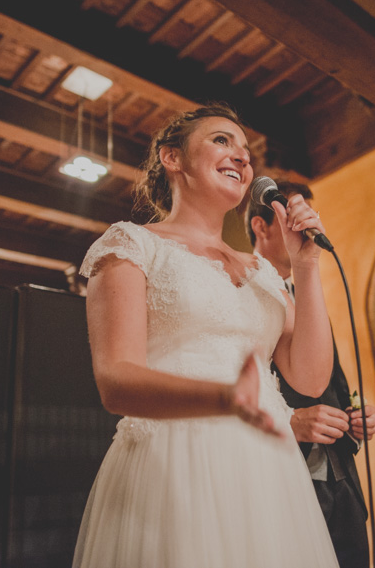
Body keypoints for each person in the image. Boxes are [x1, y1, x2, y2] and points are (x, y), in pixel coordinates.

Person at [72, 103, 340, 567]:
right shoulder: (132, 245)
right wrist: (228, 400)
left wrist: (306, 267)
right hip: (174, 462)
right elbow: (115, 380)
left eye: (246, 150)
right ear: (172, 157)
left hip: (269, 471)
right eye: (221, 140)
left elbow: (311, 379)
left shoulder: (262, 272)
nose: (242, 156)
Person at [247, 181, 375, 568]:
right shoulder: (241, 286)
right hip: (280, 476)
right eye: (293, 215)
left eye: (309, 215)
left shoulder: (306, 292)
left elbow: (330, 380)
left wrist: (355, 416)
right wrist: (287, 421)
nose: (305, 225)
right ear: (261, 226)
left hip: (341, 474)